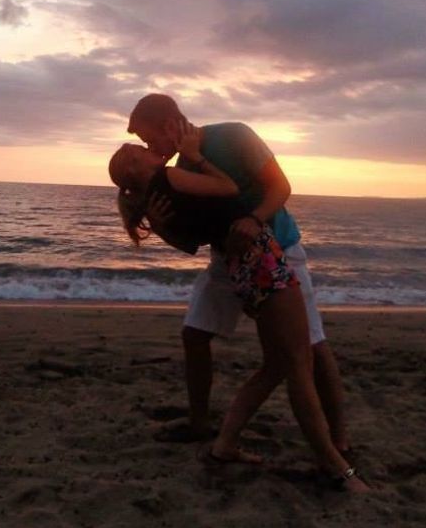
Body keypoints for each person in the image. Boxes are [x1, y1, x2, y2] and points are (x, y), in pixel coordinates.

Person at [109, 127, 367, 491]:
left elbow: (197, 236)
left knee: (283, 361)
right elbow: (227, 190)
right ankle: (334, 463)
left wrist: (166, 224)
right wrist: (196, 160)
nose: (151, 148)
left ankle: (227, 445)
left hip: (247, 260)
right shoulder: (172, 176)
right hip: (258, 257)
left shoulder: (167, 189)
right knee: (295, 360)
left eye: (147, 140)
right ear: (136, 166)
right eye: (143, 148)